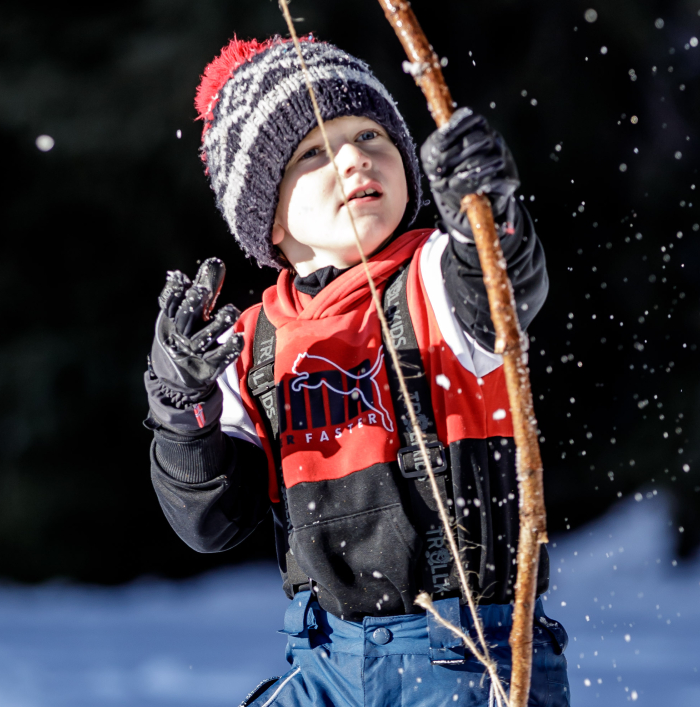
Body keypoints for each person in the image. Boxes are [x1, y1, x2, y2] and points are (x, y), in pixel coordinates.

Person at [144, 36, 567, 706]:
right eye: (313, 152)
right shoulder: (249, 344)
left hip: (462, 660)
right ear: (268, 217)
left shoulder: (435, 276)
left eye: (370, 133)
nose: (354, 157)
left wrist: (488, 216)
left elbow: (500, 294)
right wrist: (182, 411)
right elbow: (212, 522)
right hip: (322, 662)